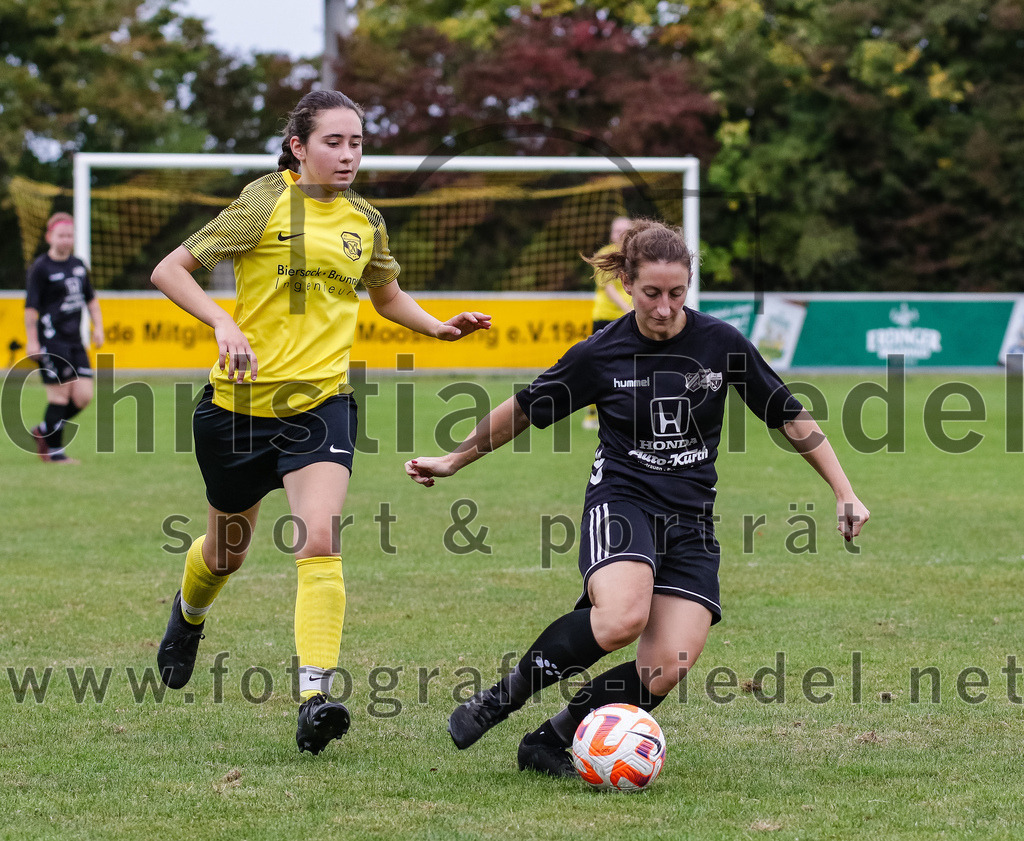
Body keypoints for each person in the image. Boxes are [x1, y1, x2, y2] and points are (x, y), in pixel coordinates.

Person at [406, 219, 869, 777]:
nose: (666, 308)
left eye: (678, 294)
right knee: (623, 617)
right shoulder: (599, 354)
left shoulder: (721, 343)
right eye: (652, 293)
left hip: (692, 517)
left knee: (667, 666)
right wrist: (454, 459)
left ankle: (551, 740)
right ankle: (506, 694)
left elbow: (788, 414)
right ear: (627, 283)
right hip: (623, 499)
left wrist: (844, 491)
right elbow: (525, 409)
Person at [150, 90, 491, 756]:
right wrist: (222, 320)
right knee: (228, 552)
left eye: (357, 142)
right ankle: (188, 614)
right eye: (333, 141)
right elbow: (171, 269)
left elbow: (386, 294)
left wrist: (438, 326)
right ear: (298, 147)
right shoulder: (262, 203)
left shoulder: (366, 219)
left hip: (320, 406)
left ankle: (314, 697)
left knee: (320, 538)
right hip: (237, 411)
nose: (348, 154)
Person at [24, 212, 104, 464]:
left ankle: (43, 430)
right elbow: (30, 309)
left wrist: (98, 327)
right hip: (51, 341)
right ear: (50, 236)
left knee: (83, 397)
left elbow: (91, 300)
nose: (66, 239)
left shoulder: (78, 265)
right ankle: (55, 452)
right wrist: (32, 340)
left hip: (74, 341)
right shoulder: (41, 267)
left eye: (70, 235)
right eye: (61, 235)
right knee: (59, 397)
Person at [582, 216, 632, 430]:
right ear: (611, 234)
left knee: (629, 367)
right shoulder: (605, 255)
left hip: (630, 317)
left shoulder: (638, 254)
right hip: (606, 317)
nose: (620, 234)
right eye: (617, 230)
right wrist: (629, 309)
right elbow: (609, 288)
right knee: (598, 366)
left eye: (625, 230)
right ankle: (591, 414)